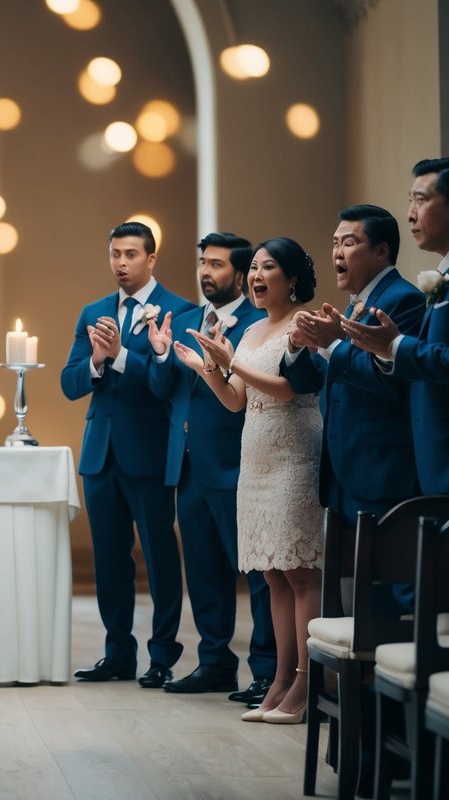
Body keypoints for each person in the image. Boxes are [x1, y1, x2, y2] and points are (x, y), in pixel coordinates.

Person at [185, 237, 323, 724]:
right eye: (256, 269)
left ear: (291, 277)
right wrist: (206, 369)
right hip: (257, 457)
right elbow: (236, 400)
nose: (257, 277)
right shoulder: (250, 331)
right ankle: (281, 679)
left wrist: (229, 363)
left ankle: (307, 682)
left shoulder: (303, 324)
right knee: (272, 572)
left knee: (301, 572)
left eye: (269, 268)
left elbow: (289, 389)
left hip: (294, 454)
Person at [60, 221, 194, 688]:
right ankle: (118, 652)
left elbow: (167, 383)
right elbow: (69, 382)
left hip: (151, 453)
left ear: (151, 259)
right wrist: (97, 360)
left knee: (158, 557)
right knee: (109, 560)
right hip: (100, 454)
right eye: (115, 253)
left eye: (131, 254)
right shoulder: (93, 312)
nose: (121, 263)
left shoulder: (182, 311)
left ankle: (162, 655)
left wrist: (120, 355)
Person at [145, 233, 276, 704]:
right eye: (203, 262)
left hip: (236, 461)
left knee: (259, 576)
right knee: (202, 570)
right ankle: (215, 661)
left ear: (239, 275)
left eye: (217, 265)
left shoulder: (259, 324)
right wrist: (160, 354)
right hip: (186, 465)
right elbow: (163, 389)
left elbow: (249, 398)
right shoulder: (180, 320)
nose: (206, 272)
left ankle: (267, 670)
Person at [343, 158, 449, 502]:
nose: (410, 213)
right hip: (441, 463)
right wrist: (389, 349)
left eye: (421, 200)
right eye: (409, 200)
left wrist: (396, 346)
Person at [282, 205, 423, 522]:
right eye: (335, 243)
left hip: (380, 469)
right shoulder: (356, 304)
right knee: (349, 571)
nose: (337, 253)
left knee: (386, 569)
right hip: (343, 467)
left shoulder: (403, 299)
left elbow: (393, 380)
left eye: (348, 243)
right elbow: (320, 381)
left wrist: (331, 344)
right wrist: (297, 348)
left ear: (381, 251)